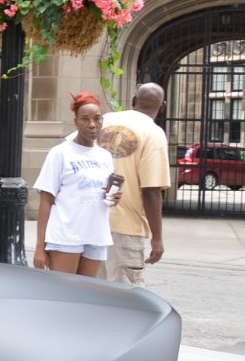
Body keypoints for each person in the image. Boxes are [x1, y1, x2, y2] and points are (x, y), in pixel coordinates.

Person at [33, 92, 121, 278]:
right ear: (75, 122)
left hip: (96, 234)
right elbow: (46, 201)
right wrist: (40, 247)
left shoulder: (104, 156)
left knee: (85, 295)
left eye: (97, 119)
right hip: (66, 235)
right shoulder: (60, 153)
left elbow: (102, 197)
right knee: (64, 294)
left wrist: (113, 198)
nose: (92, 124)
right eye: (85, 119)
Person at [97, 82, 169, 285]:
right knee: (126, 298)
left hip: (92, 222)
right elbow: (151, 190)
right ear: (162, 106)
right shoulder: (153, 133)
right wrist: (157, 237)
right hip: (125, 225)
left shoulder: (104, 120)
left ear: (133, 101)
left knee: (93, 294)